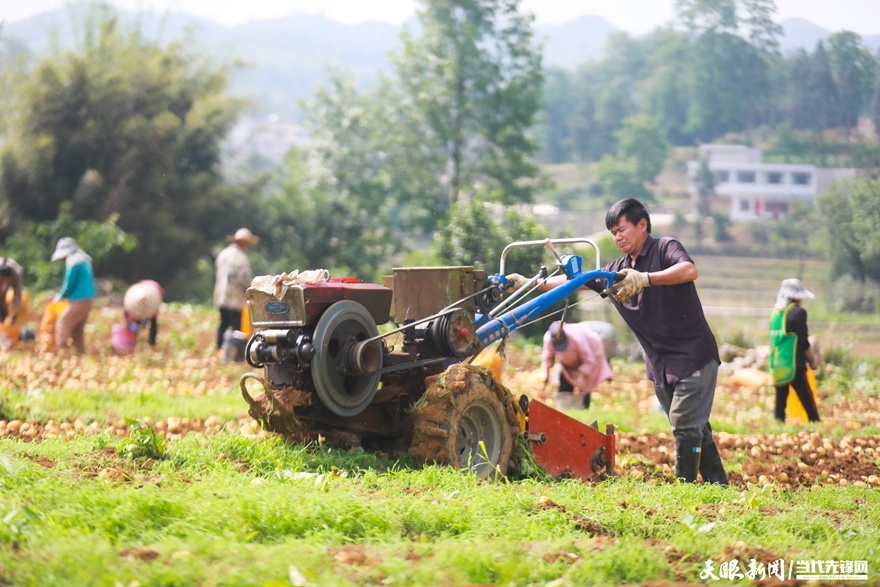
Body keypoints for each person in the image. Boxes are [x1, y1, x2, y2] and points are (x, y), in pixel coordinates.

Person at [515, 198, 727, 485]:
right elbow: (575, 283)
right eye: (613, 232)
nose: (617, 237)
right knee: (693, 427)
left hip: (693, 354)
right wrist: (527, 282)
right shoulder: (616, 270)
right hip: (660, 362)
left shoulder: (665, 248)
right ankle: (718, 484)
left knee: (684, 423)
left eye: (621, 229)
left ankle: (684, 487)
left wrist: (646, 279)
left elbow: (689, 270)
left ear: (642, 225)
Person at [769, 278, 820, 423]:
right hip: (793, 363)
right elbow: (803, 342)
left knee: (780, 401)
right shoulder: (798, 313)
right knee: (806, 397)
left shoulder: (775, 315)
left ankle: (777, 427)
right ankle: (815, 423)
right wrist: (812, 360)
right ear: (797, 296)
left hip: (777, 363)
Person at [542, 320, 613, 409]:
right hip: (568, 363)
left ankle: (584, 408)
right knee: (564, 382)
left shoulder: (577, 338)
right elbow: (548, 355)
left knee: (585, 385)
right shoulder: (548, 338)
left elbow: (589, 359)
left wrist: (583, 376)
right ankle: (564, 409)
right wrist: (547, 374)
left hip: (591, 355)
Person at [214, 227, 259, 351]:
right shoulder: (241, 258)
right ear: (244, 243)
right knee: (235, 325)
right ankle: (233, 353)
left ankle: (219, 349)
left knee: (223, 323)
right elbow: (244, 279)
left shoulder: (223, 254)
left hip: (221, 294)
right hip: (235, 296)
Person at [50, 237, 96, 353]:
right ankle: (80, 353)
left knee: (62, 323)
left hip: (79, 299)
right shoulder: (84, 260)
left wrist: (59, 297)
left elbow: (69, 284)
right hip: (89, 299)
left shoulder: (72, 262)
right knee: (77, 329)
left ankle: (61, 352)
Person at [123, 279, 164, 347]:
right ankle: (133, 338)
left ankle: (151, 342)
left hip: (153, 299)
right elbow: (126, 313)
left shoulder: (155, 294)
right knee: (136, 321)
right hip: (143, 301)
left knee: (153, 320)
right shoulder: (132, 297)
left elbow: (156, 307)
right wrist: (128, 322)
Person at [0, 257, 27, 326]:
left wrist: (15, 311)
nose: (4, 282)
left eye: (6, 280)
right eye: (2, 280)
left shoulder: (17, 275)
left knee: (13, 311)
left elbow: (18, 294)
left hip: (14, 276)